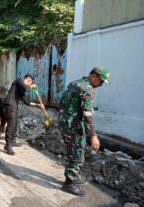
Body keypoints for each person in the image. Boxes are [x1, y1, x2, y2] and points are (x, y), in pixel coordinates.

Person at [58, 66, 110, 196]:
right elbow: (88, 114)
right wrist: (93, 135)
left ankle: (73, 176)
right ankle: (69, 184)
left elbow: (62, 102)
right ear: (93, 77)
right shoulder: (87, 89)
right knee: (76, 154)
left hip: (65, 123)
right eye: (101, 81)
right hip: (74, 126)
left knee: (73, 151)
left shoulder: (75, 83)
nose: (102, 84)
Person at [3, 74, 45, 155]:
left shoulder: (21, 88)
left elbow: (26, 101)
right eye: (30, 83)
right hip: (10, 104)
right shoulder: (19, 80)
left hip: (14, 106)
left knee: (15, 124)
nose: (30, 85)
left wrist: (38, 105)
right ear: (29, 80)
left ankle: (13, 140)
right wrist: (32, 86)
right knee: (11, 125)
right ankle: (7, 145)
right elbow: (26, 88)